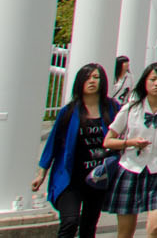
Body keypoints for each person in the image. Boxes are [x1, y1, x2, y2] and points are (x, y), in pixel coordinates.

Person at [103, 62, 157, 238]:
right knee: (125, 232)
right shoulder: (131, 109)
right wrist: (130, 142)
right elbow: (108, 141)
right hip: (130, 169)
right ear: (144, 82)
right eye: (153, 79)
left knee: (156, 228)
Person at [34, 62, 117, 237]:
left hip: (99, 177)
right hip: (71, 177)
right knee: (70, 221)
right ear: (80, 82)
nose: (92, 81)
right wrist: (41, 174)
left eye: (96, 77)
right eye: (87, 78)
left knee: (89, 226)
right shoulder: (69, 111)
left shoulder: (112, 108)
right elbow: (53, 143)